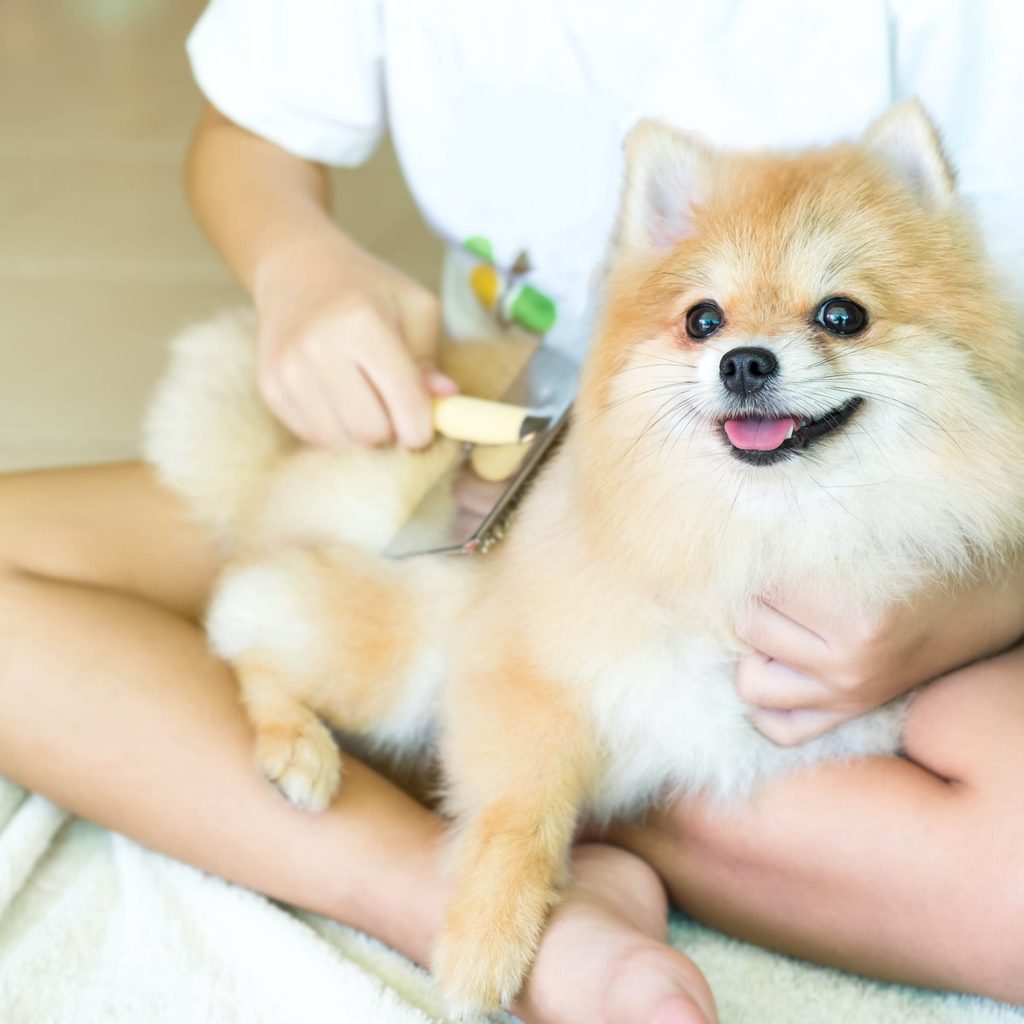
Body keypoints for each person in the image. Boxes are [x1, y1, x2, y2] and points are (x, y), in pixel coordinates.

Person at [1, 3, 1023, 1022]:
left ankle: (527, 762)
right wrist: (298, 267)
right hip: (481, 445)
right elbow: (245, 138)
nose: (747, 345)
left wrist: (984, 596)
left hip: (895, 522)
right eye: (715, 318)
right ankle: (485, 882)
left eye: (830, 313)